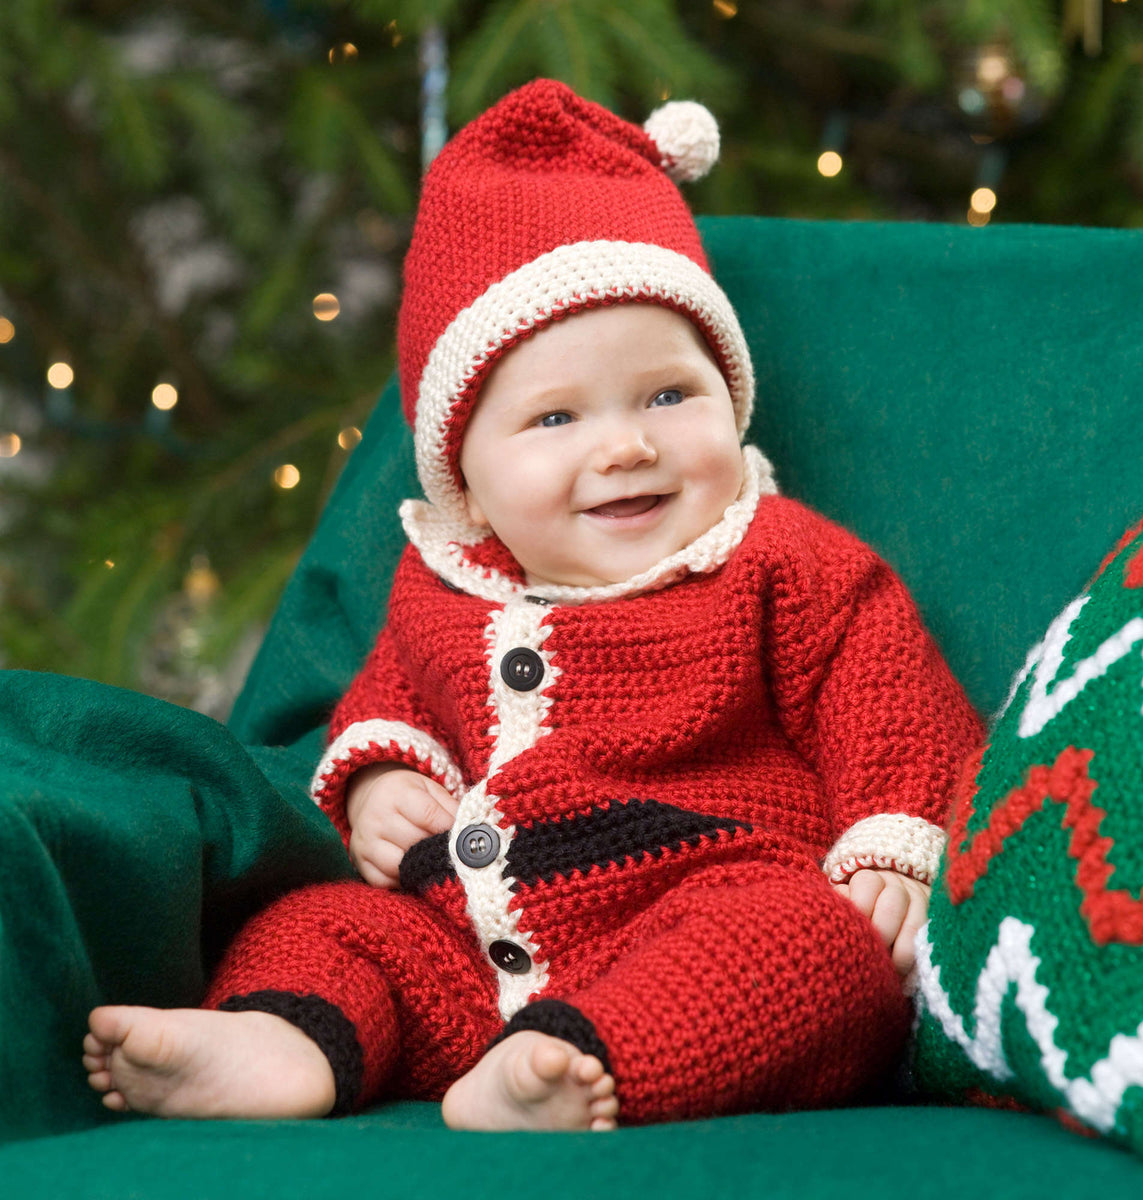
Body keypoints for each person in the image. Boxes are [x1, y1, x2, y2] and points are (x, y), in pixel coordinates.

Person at [82, 79, 982, 1133]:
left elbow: (890, 702)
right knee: (326, 921)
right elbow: (391, 699)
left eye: (669, 395)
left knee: (819, 950)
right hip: (465, 949)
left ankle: (582, 1065)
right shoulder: (447, 584)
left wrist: (890, 847)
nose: (626, 445)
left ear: (728, 397)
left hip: (702, 904)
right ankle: (281, 1041)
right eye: (555, 416)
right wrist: (382, 777)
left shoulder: (781, 560)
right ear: (463, 475)